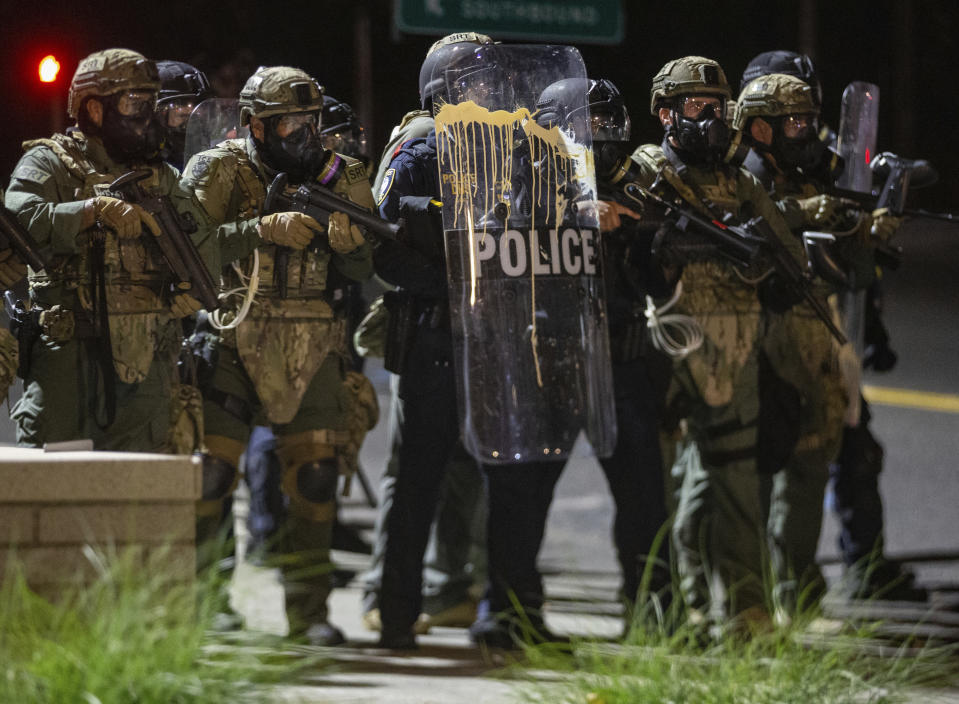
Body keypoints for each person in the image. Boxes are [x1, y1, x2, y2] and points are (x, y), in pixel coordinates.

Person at [179, 65, 378, 646]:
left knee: (316, 477)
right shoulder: (217, 170)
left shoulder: (344, 175)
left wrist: (351, 246)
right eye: (289, 122)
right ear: (255, 127)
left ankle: (309, 614)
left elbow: (366, 271)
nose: (305, 133)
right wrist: (261, 230)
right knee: (211, 475)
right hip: (231, 333)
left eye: (311, 121)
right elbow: (187, 250)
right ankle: (207, 603)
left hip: (312, 339)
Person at [628, 56, 808, 631]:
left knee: (737, 487)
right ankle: (669, 609)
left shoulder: (742, 183)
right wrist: (655, 248)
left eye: (719, 107)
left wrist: (758, 260)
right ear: (666, 114)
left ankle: (748, 610)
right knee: (653, 489)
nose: (711, 118)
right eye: (697, 107)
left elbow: (791, 265)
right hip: (665, 347)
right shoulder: (640, 176)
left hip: (735, 350)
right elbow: (616, 259)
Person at [740, 52, 924, 602]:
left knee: (844, 452)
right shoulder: (741, 171)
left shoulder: (816, 160)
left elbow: (849, 246)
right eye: (789, 114)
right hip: (763, 338)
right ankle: (760, 588)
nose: (803, 125)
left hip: (824, 332)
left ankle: (845, 571)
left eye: (806, 110)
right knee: (755, 466)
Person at [4, 48, 206, 453]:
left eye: (151, 103)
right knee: (55, 494)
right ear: (94, 109)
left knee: (140, 494)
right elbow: (17, 220)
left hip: (146, 365)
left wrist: (194, 291)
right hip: (68, 362)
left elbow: (201, 242)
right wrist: (90, 211)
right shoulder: (48, 162)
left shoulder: (160, 176)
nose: (147, 115)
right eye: (134, 104)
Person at [361, 33, 495, 641]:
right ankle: (395, 616)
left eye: (494, 80)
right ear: (446, 89)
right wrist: (448, 277)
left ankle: (486, 603)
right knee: (417, 481)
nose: (492, 91)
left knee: (487, 476)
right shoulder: (419, 146)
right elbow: (383, 242)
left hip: (494, 340)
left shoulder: (510, 148)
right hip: (436, 341)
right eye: (477, 82)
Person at [539, 77, 674, 615]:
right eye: (583, 126)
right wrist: (575, 218)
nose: (597, 137)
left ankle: (655, 612)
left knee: (644, 499)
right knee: (526, 489)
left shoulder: (637, 185)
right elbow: (500, 242)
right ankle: (506, 611)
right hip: (553, 359)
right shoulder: (527, 184)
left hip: (622, 361)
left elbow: (656, 283)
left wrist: (648, 235)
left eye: (604, 125)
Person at [155, 60, 215, 170]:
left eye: (198, 103)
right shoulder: (146, 164)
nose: (192, 110)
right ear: (157, 112)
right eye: (181, 103)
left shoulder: (211, 153)